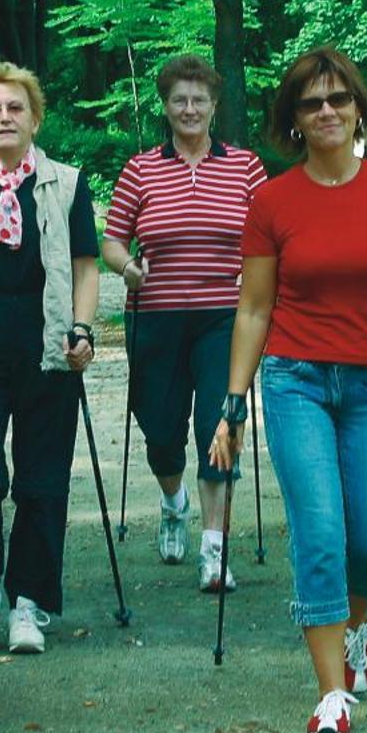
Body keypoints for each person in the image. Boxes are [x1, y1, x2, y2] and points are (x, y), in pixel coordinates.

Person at [209, 47, 367, 733]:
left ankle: (352, 627)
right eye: (313, 103)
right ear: (295, 120)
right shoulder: (273, 200)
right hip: (295, 379)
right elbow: (253, 307)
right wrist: (233, 400)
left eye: (339, 99)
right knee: (319, 532)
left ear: (360, 109)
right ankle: (331, 693)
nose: (328, 111)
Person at [0, 63, 101, 658]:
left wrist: (82, 327)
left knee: (41, 482)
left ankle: (30, 601)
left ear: (35, 118)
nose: (4, 117)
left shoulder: (66, 182)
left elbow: (86, 265)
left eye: (15, 108)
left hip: (48, 349)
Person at [100, 55, 268, 591]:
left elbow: (268, 234)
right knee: (162, 432)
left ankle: (214, 551)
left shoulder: (244, 167)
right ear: (165, 106)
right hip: (156, 314)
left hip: (226, 318)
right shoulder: (140, 168)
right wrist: (126, 267)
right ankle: (175, 503)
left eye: (199, 100)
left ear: (214, 107)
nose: (189, 109)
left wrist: (259, 277)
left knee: (219, 426)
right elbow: (111, 239)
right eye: (180, 100)